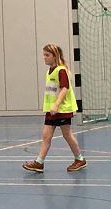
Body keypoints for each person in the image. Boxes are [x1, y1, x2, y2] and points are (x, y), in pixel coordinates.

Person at [22, 44, 86, 173]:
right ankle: (39, 163)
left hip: (62, 109)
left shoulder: (61, 70)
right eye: (44, 55)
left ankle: (79, 159)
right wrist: (52, 106)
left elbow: (64, 88)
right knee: (46, 136)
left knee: (67, 134)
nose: (44, 57)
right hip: (51, 110)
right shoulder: (49, 71)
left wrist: (56, 104)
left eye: (47, 55)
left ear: (55, 56)